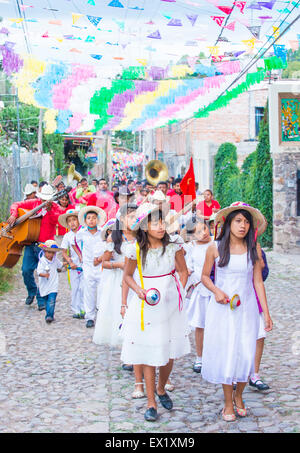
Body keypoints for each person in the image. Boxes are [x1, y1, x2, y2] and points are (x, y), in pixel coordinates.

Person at [201, 202, 273, 422]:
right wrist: (216, 291)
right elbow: (204, 276)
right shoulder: (215, 247)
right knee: (227, 352)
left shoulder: (255, 249)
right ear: (229, 223)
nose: (242, 226)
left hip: (248, 308)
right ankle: (228, 402)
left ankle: (239, 394)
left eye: (246, 222)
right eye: (238, 221)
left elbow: (258, 282)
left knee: (245, 352)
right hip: (222, 309)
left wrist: (266, 314)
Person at [122, 203, 190, 421]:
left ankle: (161, 388)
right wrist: (138, 291)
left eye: (163, 222)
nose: (161, 227)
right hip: (146, 305)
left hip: (169, 304)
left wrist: (177, 290)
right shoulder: (135, 250)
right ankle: (151, 403)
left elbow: (183, 271)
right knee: (149, 352)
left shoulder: (173, 247)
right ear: (144, 227)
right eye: (155, 223)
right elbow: (128, 276)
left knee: (168, 352)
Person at [7, 184, 65, 310]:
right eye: (43, 199)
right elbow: (16, 204)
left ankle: (41, 300)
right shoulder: (34, 203)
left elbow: (58, 220)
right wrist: (13, 214)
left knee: (44, 273)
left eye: (47, 200)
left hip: (46, 247)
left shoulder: (55, 208)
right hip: (31, 243)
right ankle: (32, 291)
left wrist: (49, 211)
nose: (44, 202)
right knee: (26, 270)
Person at [184, 219, 212, 374]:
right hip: (200, 290)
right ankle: (200, 357)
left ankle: (215, 355)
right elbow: (189, 266)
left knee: (215, 325)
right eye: (199, 231)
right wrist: (187, 271)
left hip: (215, 290)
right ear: (193, 235)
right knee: (200, 325)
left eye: (205, 228)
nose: (204, 233)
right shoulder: (192, 248)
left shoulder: (216, 244)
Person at [71, 206, 107, 328]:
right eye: (89, 218)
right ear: (85, 221)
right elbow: (75, 244)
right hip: (88, 266)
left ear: (98, 219)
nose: (91, 220)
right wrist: (80, 256)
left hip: (101, 266)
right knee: (89, 291)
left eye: (94, 218)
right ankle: (90, 317)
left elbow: (108, 246)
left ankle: (102, 315)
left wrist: (101, 258)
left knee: (102, 291)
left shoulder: (103, 232)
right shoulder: (81, 233)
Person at [59, 209, 85, 319]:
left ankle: (85, 309)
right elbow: (64, 252)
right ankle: (76, 309)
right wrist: (70, 262)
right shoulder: (67, 236)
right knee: (75, 288)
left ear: (79, 220)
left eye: (74, 220)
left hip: (85, 265)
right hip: (73, 266)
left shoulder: (84, 233)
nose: (72, 223)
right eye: (69, 221)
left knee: (84, 288)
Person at [37, 240, 63, 323]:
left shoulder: (55, 260)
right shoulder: (42, 261)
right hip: (44, 285)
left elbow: (60, 265)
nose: (51, 255)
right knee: (46, 300)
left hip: (53, 285)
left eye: (53, 253)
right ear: (44, 251)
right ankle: (48, 312)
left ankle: (49, 316)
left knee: (52, 300)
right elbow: (39, 272)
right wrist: (44, 275)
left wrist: (68, 263)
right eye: (49, 252)